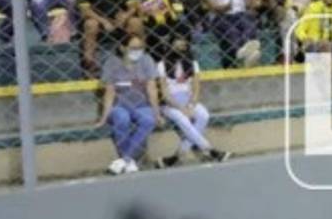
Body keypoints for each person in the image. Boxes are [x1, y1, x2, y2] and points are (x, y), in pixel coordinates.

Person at [156, 35, 232, 168]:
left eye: (183, 46)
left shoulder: (193, 63)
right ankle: (211, 150)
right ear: (169, 46)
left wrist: (191, 105)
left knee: (204, 115)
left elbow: (196, 88)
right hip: (170, 103)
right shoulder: (162, 65)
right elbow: (164, 93)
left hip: (188, 99)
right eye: (177, 46)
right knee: (183, 119)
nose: (181, 49)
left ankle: (177, 156)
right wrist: (181, 108)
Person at [98, 34, 162, 175]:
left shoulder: (146, 60)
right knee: (122, 118)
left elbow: (152, 89)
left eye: (140, 47)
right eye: (133, 48)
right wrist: (103, 117)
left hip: (141, 104)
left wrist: (157, 113)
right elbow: (109, 93)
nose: (137, 51)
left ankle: (124, 159)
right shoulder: (112, 63)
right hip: (119, 105)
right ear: (122, 48)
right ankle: (129, 161)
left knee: (149, 119)